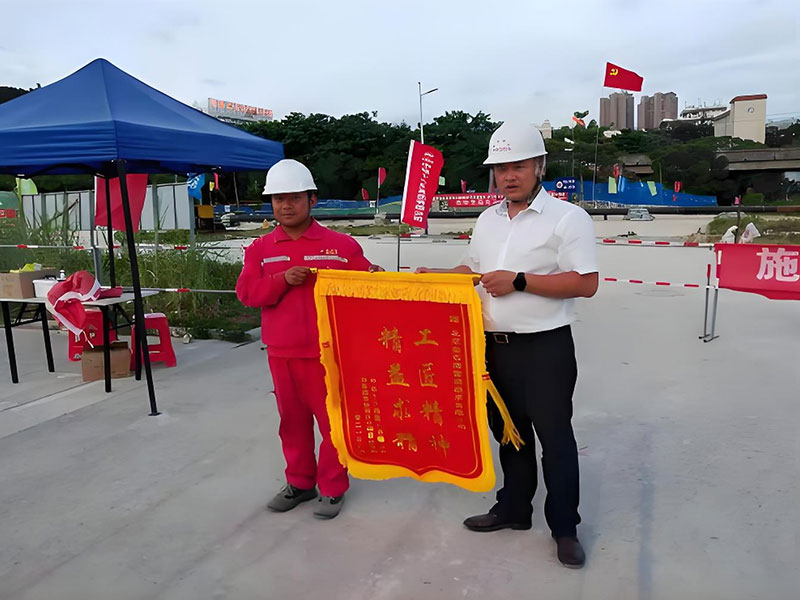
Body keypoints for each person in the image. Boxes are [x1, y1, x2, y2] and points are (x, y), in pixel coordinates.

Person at [418, 121, 598, 567]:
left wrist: (520, 281)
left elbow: (586, 282)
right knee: (509, 436)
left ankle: (564, 528)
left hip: (545, 348)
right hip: (492, 348)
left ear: (539, 166)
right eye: (500, 169)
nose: (508, 176)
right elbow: (472, 272)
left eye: (518, 166)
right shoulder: (487, 219)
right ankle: (514, 509)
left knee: (554, 439)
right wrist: (429, 279)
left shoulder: (567, 218)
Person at [236, 159, 382, 519]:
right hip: (282, 353)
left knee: (333, 423)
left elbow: (366, 291)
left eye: (294, 198)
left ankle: (332, 488)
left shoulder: (341, 246)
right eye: (278, 199)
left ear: (312, 200)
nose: (286, 206)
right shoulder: (260, 249)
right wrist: (282, 279)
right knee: (292, 423)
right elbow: (247, 294)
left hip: (329, 354)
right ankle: (300, 483)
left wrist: (378, 280)